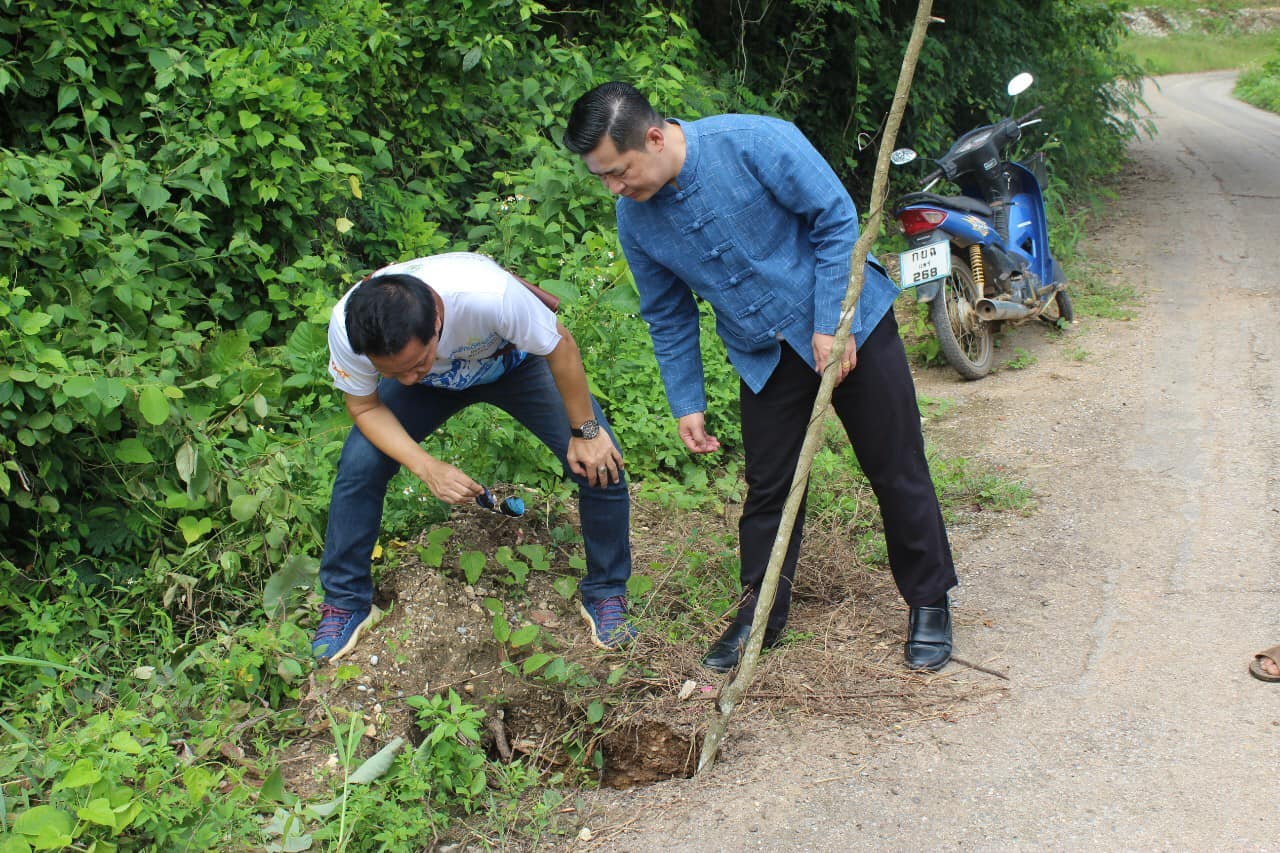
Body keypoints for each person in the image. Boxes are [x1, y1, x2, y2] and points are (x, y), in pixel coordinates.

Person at [563, 82, 957, 672]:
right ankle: (758, 616)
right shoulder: (635, 220)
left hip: (853, 327)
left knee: (894, 465)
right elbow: (668, 313)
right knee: (768, 492)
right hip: (765, 357)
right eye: (603, 178)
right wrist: (685, 402)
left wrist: (833, 321)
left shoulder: (752, 141)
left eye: (618, 172)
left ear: (653, 136)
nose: (615, 188)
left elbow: (834, 218)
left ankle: (928, 601)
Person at [312, 252, 635, 661]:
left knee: (600, 461)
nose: (409, 378)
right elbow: (365, 408)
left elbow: (560, 346)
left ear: (437, 324)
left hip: (515, 365)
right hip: (435, 390)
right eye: (393, 373)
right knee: (360, 464)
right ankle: (345, 601)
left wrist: (586, 433)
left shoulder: (489, 296)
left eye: (416, 363)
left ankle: (607, 593)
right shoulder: (350, 328)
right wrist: (426, 466)